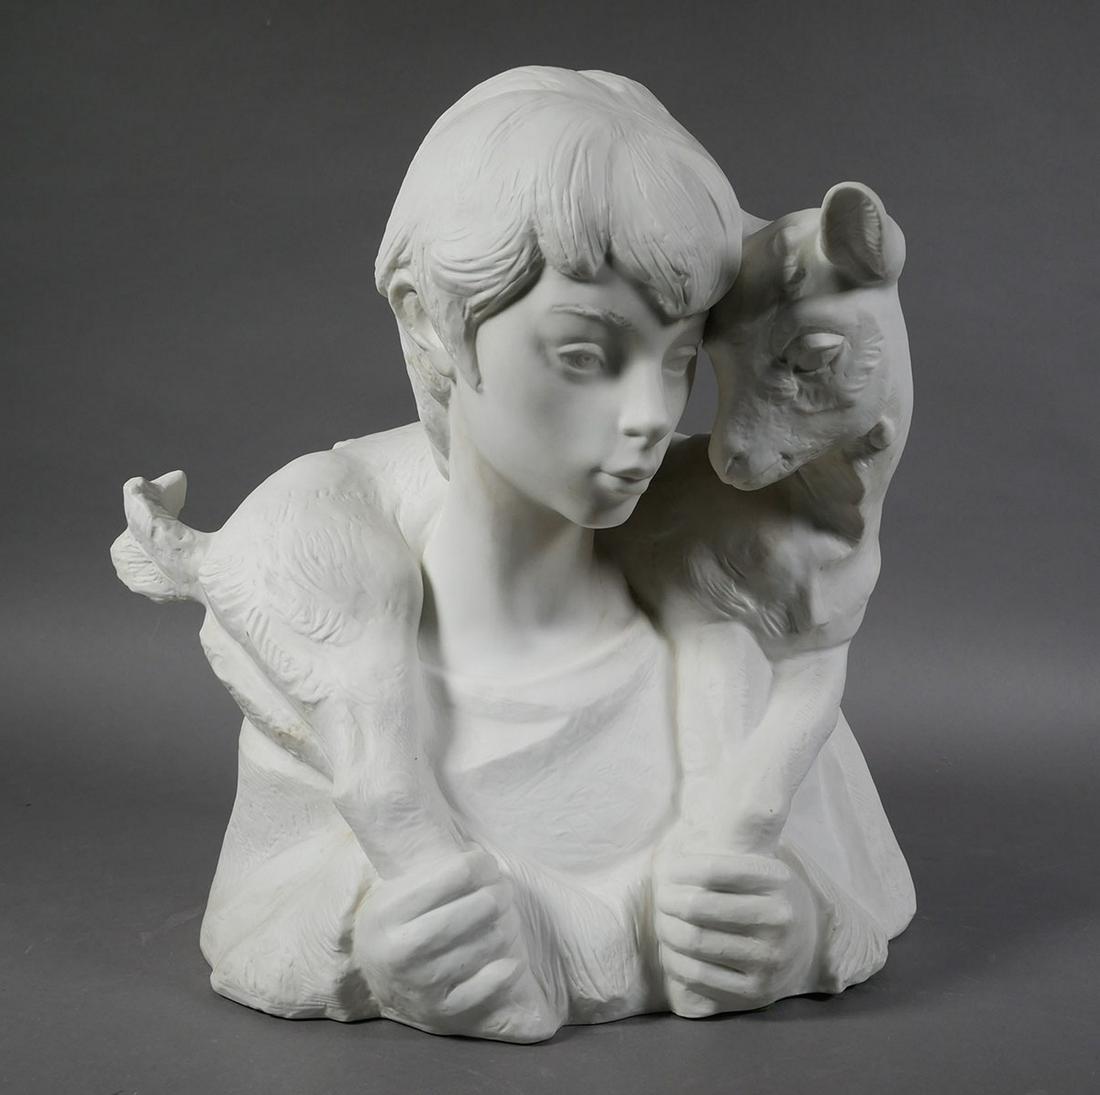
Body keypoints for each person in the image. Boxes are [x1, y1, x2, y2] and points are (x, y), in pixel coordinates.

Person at [115, 67, 912, 1043]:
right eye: (585, 355)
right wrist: (374, 941)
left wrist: (798, 930)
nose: (651, 415)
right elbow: (259, 922)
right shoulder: (331, 642)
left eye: (677, 360)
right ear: (426, 321)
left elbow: (855, 891)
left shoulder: (742, 625)